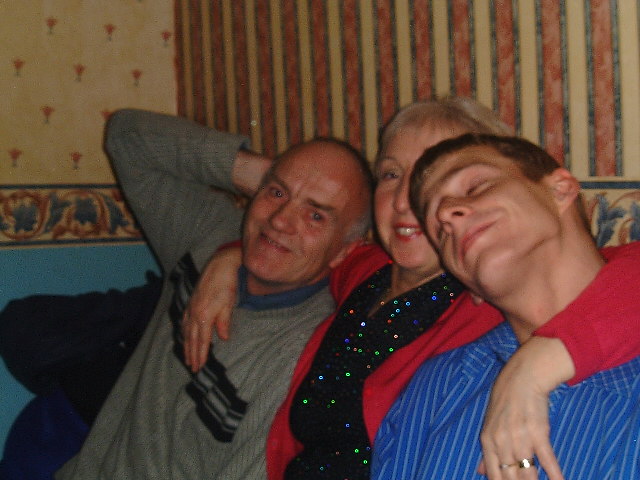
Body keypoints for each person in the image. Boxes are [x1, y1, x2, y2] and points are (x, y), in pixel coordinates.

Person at [182, 98, 640, 480]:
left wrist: (540, 363)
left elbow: (614, 273)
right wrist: (234, 253)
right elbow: (308, 248)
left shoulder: (479, 302)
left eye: (473, 185)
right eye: (391, 174)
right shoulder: (371, 275)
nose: (410, 202)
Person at [55, 109, 373, 479]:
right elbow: (128, 138)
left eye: (315, 215)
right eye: (276, 193)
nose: (280, 220)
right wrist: (255, 173)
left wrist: (281, 188)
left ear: (345, 251)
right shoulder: (208, 236)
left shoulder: (301, 358)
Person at [372, 133, 640, 479]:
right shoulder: (437, 388)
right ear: (471, 288)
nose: (448, 215)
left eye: (475, 187)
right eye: (441, 231)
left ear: (559, 190)